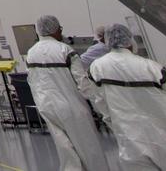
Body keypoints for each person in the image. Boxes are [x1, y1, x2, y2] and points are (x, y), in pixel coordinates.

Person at [89, 23, 166, 169]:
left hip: (131, 143)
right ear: (130, 41)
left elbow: (102, 107)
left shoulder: (97, 68)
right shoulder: (154, 69)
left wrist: (120, 130)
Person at [25, 15, 110, 170]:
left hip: (47, 107)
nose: (61, 33)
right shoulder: (64, 50)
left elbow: (32, 81)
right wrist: (101, 108)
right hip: (72, 108)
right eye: (60, 29)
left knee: (67, 152)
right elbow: (83, 83)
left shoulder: (31, 53)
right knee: (90, 150)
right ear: (54, 30)